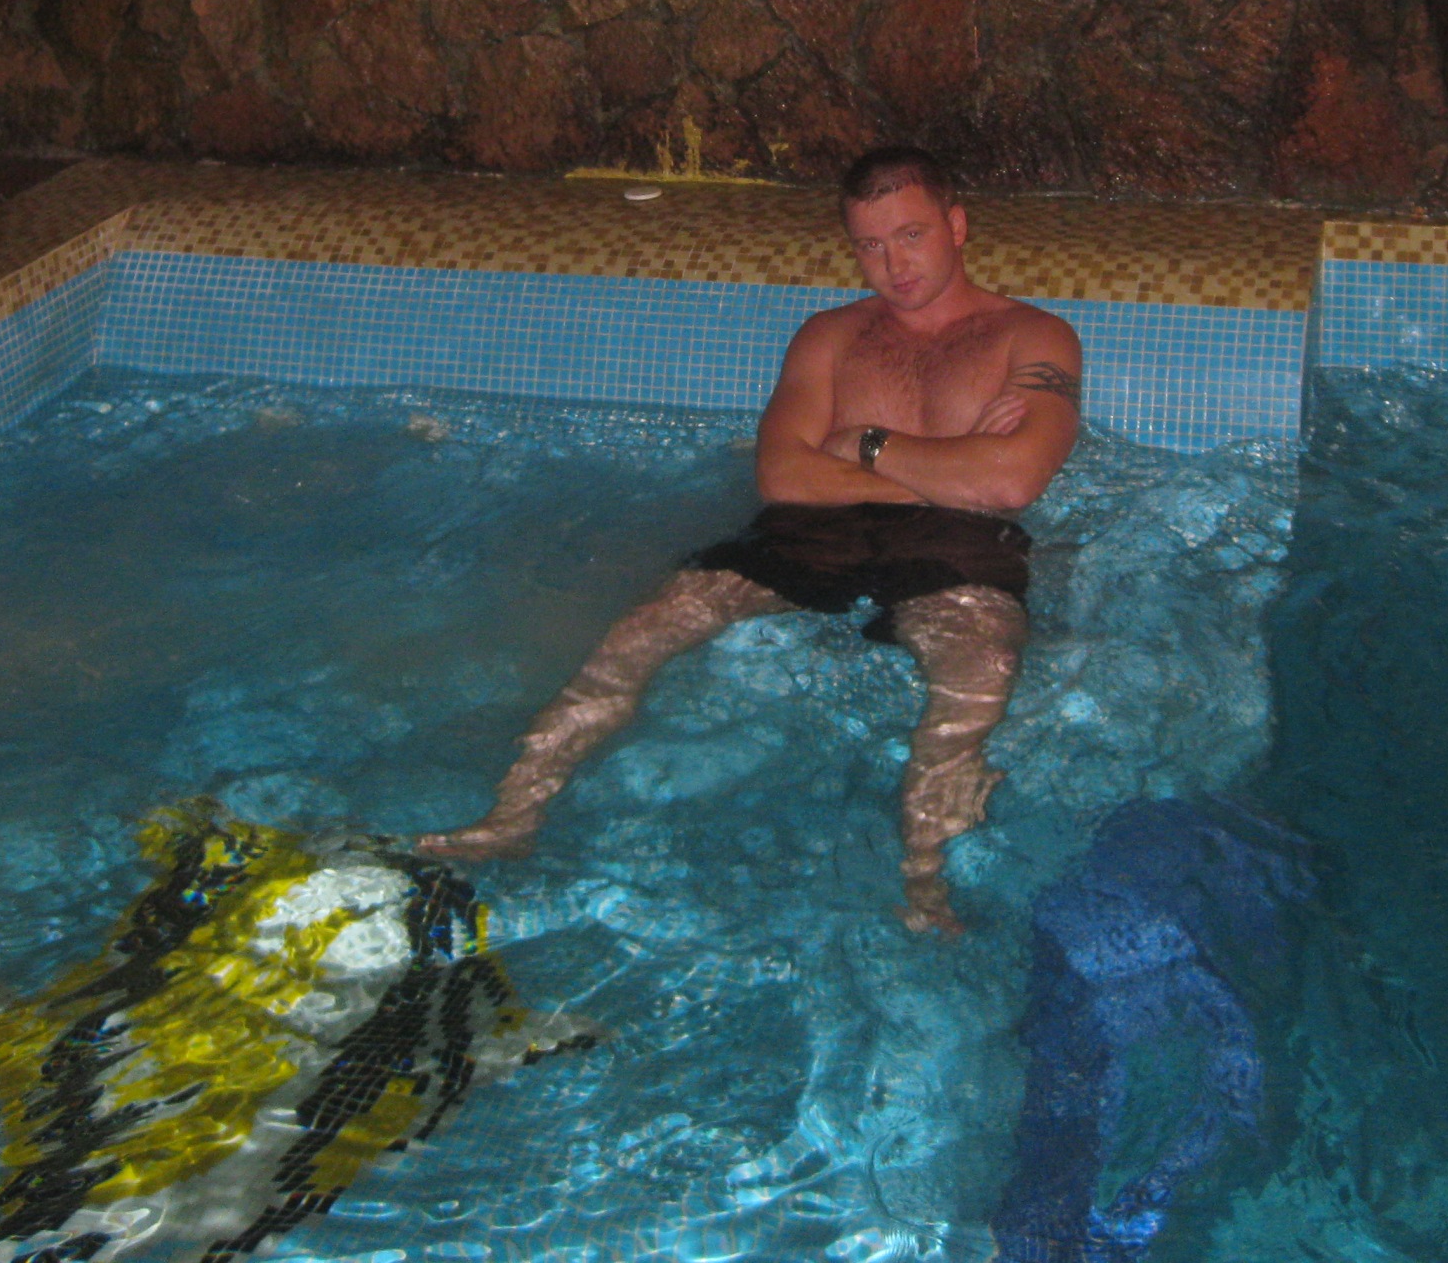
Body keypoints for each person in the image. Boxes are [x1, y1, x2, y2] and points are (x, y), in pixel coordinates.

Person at [419, 146, 1084, 935]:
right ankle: (512, 816)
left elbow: (1011, 484)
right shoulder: (830, 337)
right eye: (870, 245)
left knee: (980, 673)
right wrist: (948, 469)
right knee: (641, 631)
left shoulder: (1032, 337)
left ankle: (926, 889)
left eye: (911, 236)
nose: (893, 264)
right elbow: (781, 474)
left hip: (959, 546)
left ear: (958, 226)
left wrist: (861, 442)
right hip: (811, 534)